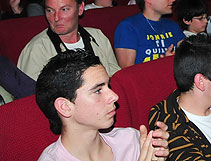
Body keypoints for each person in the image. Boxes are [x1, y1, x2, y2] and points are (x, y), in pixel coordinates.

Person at [35, 50, 170, 161]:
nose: (115, 96)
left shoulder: (131, 140)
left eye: (108, 86)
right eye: (98, 90)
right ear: (65, 107)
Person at [18, 0, 120, 80]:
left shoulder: (97, 37)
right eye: (50, 10)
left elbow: (116, 78)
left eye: (64, 9)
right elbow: (28, 92)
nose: (56, 18)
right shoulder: (37, 49)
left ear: (80, 9)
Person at [114, 0, 185, 67]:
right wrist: (162, 63)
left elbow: (189, 56)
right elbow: (127, 72)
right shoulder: (128, 27)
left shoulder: (173, 26)